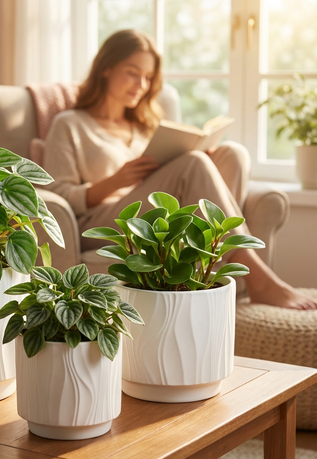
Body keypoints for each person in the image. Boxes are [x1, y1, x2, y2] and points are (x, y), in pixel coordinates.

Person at [43, 29, 317, 310]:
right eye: (132, 73)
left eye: (148, 78)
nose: (141, 84)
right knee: (194, 165)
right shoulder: (70, 124)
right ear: (106, 68)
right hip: (104, 221)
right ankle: (258, 278)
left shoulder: (146, 125)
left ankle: (211, 270)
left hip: (153, 215)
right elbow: (55, 194)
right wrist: (114, 181)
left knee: (231, 154)